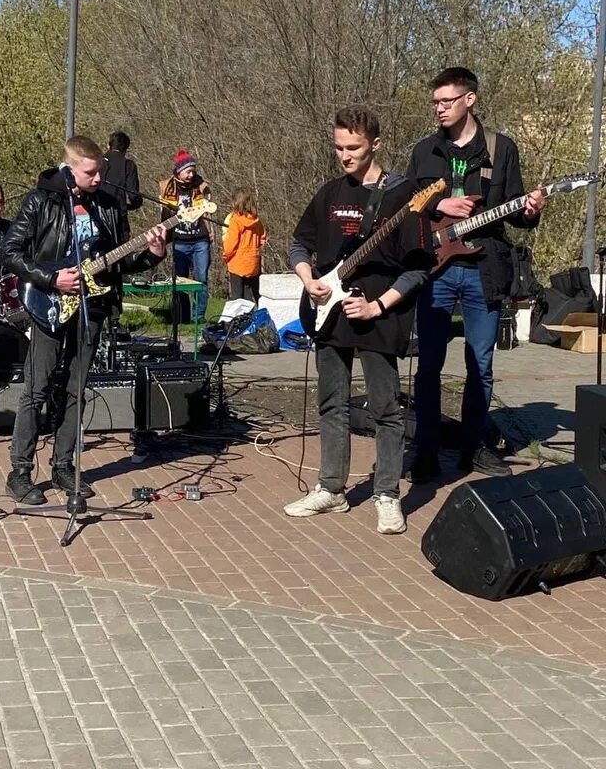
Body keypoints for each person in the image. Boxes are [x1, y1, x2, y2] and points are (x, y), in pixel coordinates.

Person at [284, 107, 432, 535]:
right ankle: (331, 488)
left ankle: (387, 494)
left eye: (354, 148)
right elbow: (299, 244)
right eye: (338, 147)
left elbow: (418, 269)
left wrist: (377, 306)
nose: (344, 156)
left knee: (386, 410)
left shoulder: (403, 196)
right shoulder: (329, 194)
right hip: (328, 314)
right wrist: (308, 278)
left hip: (378, 318)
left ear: (376, 145)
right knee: (332, 403)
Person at [1, 135, 167, 504]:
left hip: (92, 306)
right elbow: (9, 252)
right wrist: (50, 278)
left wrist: (153, 254)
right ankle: (20, 472)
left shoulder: (108, 206)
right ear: (69, 169)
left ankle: (63, 465)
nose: (98, 179)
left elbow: (120, 261)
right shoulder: (41, 201)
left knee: (76, 389)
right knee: (37, 388)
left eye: (101, 172)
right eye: (91, 172)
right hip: (48, 303)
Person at [406, 68, 545, 482]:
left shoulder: (502, 149)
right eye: (435, 102)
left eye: (446, 101)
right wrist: (439, 207)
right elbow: (407, 210)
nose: (439, 109)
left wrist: (530, 210)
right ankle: (426, 449)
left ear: (470, 99)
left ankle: (474, 447)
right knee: (428, 364)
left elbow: (517, 214)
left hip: (484, 270)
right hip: (436, 270)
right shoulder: (424, 151)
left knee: (480, 364)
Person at [159, 150, 212, 323]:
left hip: (200, 239)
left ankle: (199, 317)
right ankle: (183, 316)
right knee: (180, 280)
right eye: (188, 171)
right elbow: (164, 214)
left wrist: (211, 231)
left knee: (201, 279)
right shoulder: (168, 187)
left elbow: (207, 210)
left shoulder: (200, 186)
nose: (191, 174)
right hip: (180, 240)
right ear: (179, 171)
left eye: (193, 171)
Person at [222, 189, 267, 303]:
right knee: (248, 292)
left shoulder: (235, 220)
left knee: (237, 295)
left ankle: (238, 318)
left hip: (238, 261)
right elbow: (262, 237)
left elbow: (231, 243)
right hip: (253, 261)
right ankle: (250, 316)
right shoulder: (256, 220)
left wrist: (226, 256)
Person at [98, 131, 142, 233]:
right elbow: (133, 195)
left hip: (96, 214)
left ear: (109, 145)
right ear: (126, 148)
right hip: (118, 218)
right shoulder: (128, 165)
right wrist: (132, 205)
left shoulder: (97, 162)